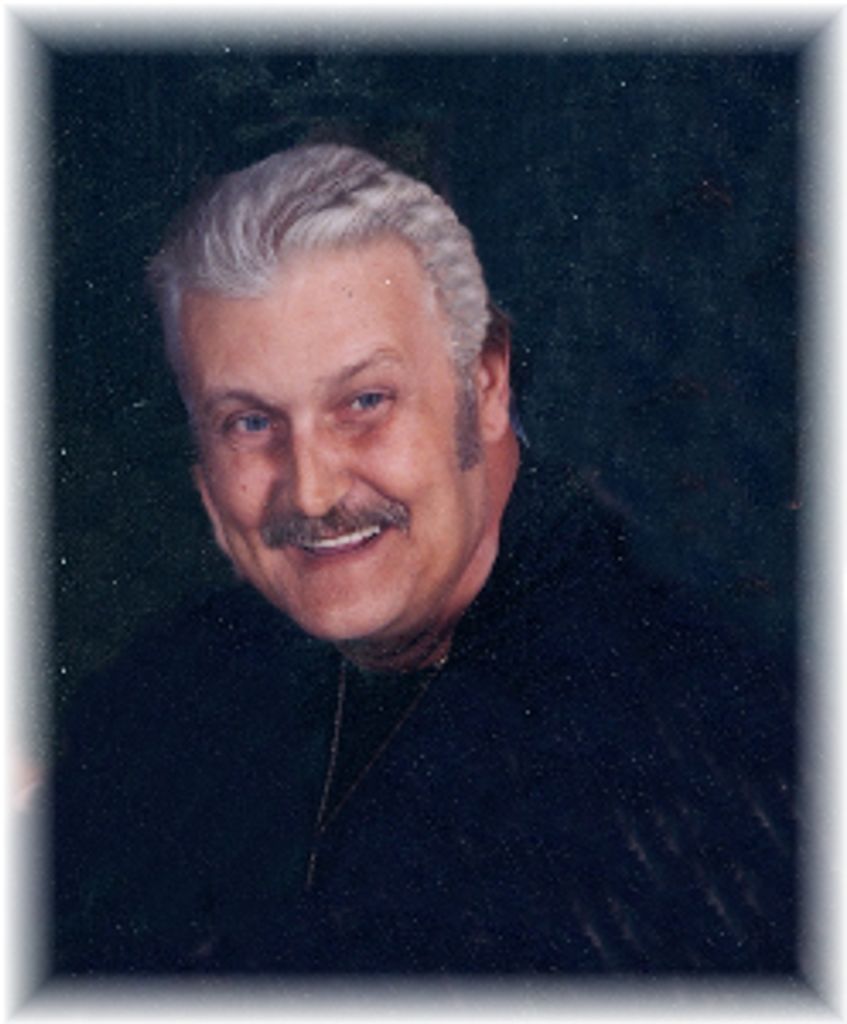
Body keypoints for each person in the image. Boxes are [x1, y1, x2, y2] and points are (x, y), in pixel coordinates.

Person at [52, 144, 796, 975]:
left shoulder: (712, 749)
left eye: (364, 402)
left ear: (484, 385)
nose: (312, 491)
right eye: (249, 423)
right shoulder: (153, 704)